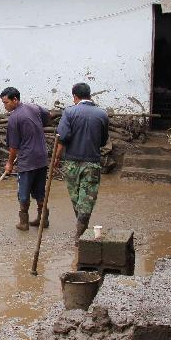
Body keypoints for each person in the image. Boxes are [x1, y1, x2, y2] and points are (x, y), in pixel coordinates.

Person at [51, 83, 109, 243]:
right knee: (87, 198)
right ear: (90, 95)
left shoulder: (69, 112)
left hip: (71, 162)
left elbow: (61, 137)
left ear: (75, 97)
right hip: (92, 163)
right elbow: (103, 141)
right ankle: (81, 230)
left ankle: (80, 231)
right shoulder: (102, 114)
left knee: (76, 197)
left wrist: (56, 158)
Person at [1, 87, 50, 231]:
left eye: (6, 102)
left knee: (23, 191)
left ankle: (23, 222)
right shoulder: (33, 107)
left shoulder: (14, 118)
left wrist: (9, 163)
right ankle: (43, 219)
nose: (5, 106)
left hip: (27, 160)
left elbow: (14, 147)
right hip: (42, 157)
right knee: (40, 190)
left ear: (15, 99)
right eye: (3, 103)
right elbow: (48, 114)